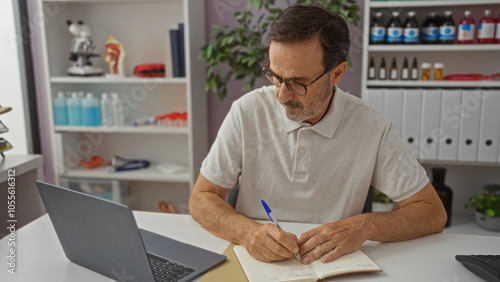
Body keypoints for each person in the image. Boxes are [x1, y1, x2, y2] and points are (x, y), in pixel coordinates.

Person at [189, 4, 447, 265]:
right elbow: (201, 198)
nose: (281, 95)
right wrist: (247, 233)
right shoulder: (247, 111)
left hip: (334, 266)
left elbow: (433, 214)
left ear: (336, 73)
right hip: (255, 264)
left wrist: (365, 226)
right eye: (275, 76)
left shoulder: (372, 127)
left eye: (298, 82)